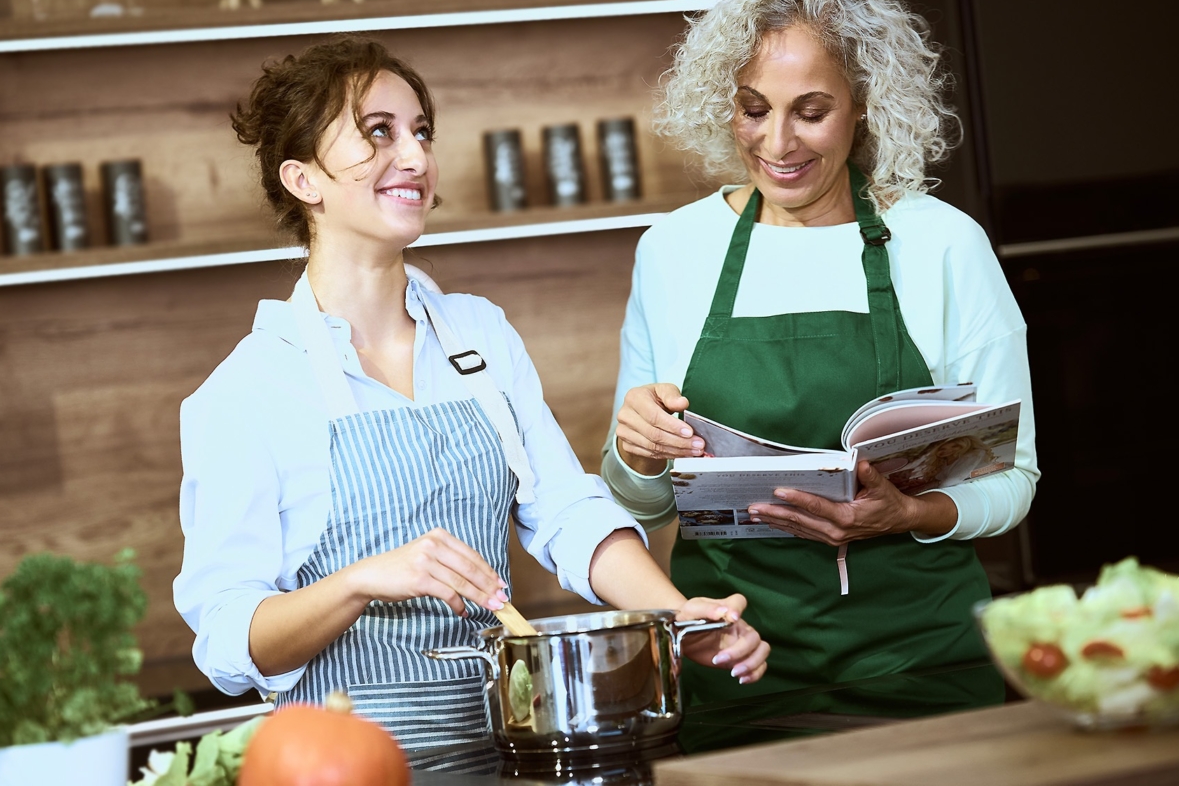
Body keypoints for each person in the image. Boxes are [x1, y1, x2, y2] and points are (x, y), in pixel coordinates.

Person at [173, 37, 769, 758]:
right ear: (303, 180)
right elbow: (229, 638)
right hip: (345, 764)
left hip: (505, 750)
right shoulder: (247, 392)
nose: (416, 157)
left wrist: (679, 617)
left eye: (421, 131)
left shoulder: (479, 334)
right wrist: (361, 581)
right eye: (378, 132)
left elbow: (564, 509)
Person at [601, 0, 1039, 710]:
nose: (777, 144)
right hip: (739, 669)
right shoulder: (673, 251)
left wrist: (909, 511)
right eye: (753, 109)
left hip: (923, 665)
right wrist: (636, 455)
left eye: (810, 112)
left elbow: (1013, 480)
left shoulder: (943, 244)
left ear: (863, 102)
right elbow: (642, 506)